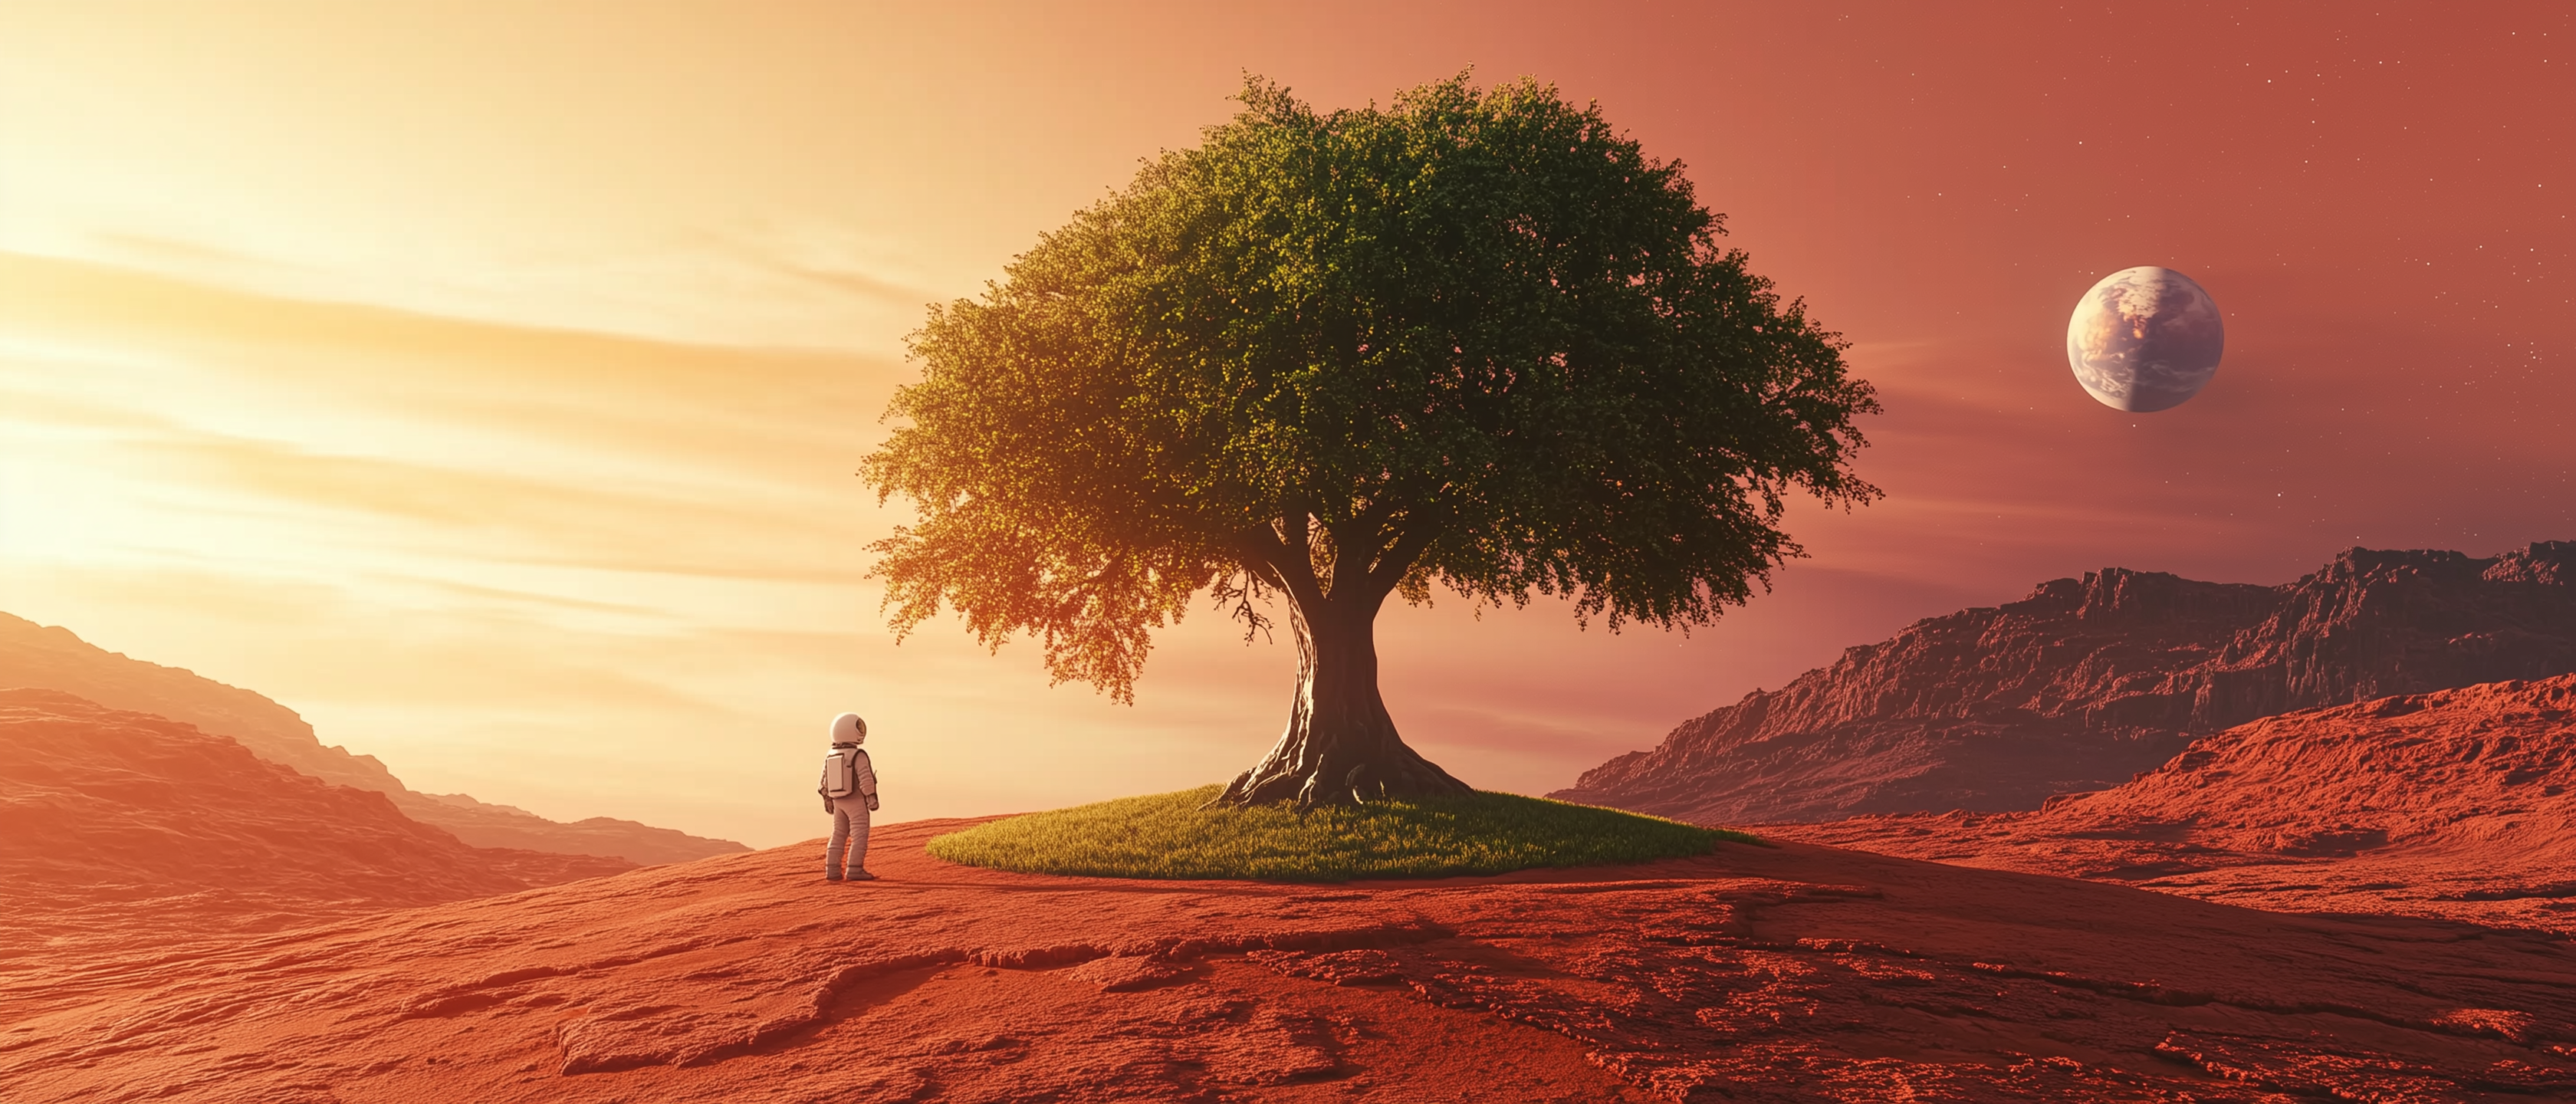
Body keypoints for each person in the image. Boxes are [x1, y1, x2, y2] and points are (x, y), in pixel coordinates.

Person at [817, 712, 879, 881]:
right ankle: (854, 869)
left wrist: (827, 799)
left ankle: (832, 871)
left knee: (838, 834)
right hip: (856, 801)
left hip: (838, 802)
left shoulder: (831, 754)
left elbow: (823, 782)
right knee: (860, 835)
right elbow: (866, 778)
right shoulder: (858, 755)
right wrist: (871, 799)